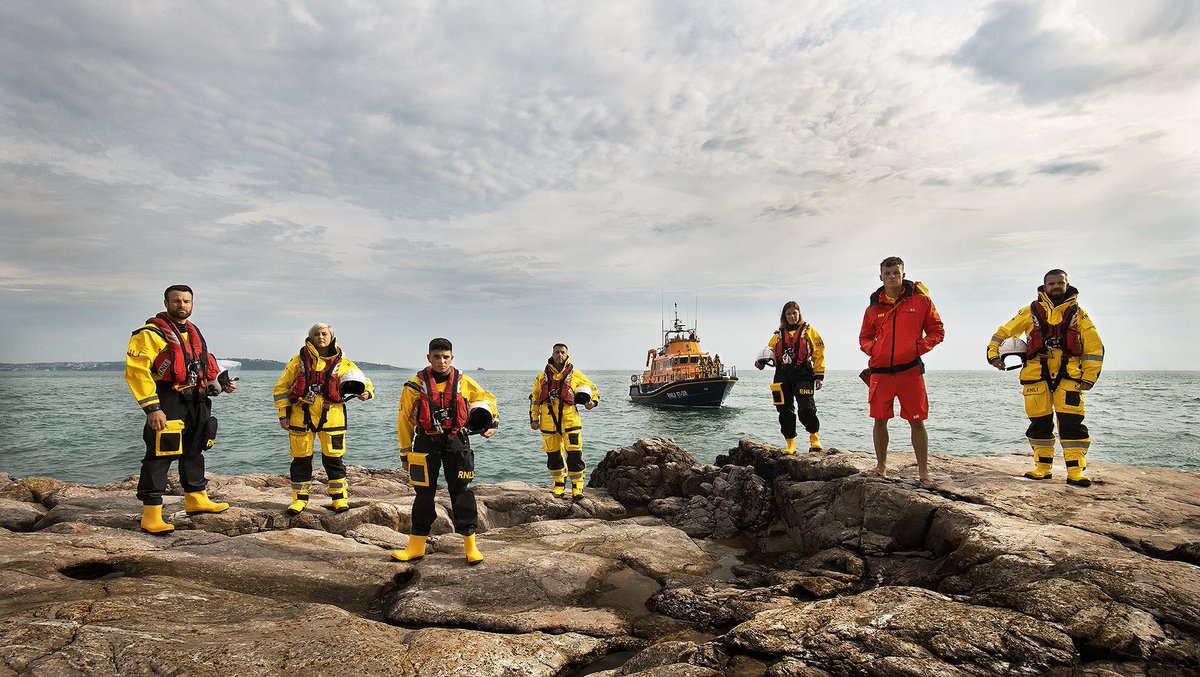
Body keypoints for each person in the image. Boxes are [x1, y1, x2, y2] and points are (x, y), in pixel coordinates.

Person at [125, 284, 237, 534]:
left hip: (197, 400)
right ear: (166, 303)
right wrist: (152, 408)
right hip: (168, 400)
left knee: (194, 450)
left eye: (186, 301)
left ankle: (196, 498)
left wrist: (221, 383)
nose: (182, 306)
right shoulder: (150, 334)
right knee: (160, 454)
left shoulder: (193, 332)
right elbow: (136, 372)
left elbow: (205, 363)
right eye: (176, 301)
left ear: (192, 304)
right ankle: (151, 513)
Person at [986, 269, 1104, 487]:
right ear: (1044, 285)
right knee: (1039, 423)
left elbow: (1094, 347)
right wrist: (993, 355)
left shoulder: (1080, 315)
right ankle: (1042, 467)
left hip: (1069, 377)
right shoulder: (1029, 312)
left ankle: (1076, 471)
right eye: (1052, 283)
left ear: (1067, 285)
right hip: (1035, 378)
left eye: (1060, 282)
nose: (1056, 286)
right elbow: (1003, 333)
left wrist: (1089, 377)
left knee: (1072, 423)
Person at [392, 338, 498, 565]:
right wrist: (404, 453)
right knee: (423, 493)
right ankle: (416, 546)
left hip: (456, 441)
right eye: (437, 357)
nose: (441, 361)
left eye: (446, 357)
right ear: (428, 358)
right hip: (425, 442)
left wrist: (492, 423)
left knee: (461, 491)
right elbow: (404, 421)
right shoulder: (412, 386)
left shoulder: (464, 382)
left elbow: (487, 398)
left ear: (452, 358)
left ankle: (470, 545)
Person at [858, 257, 944, 488]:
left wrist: (918, 348)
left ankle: (924, 473)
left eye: (896, 273)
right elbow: (864, 337)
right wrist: (873, 349)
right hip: (880, 373)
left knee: (917, 422)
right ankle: (880, 467)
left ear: (903, 274)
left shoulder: (922, 301)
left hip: (910, 372)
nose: (892, 277)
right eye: (888, 273)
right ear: (881, 277)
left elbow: (937, 330)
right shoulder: (873, 307)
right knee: (879, 420)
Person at [273, 323, 374, 515]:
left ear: (331, 336)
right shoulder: (297, 361)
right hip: (300, 416)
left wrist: (366, 393)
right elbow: (281, 389)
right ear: (310, 337)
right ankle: (299, 500)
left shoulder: (343, 361)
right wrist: (283, 414)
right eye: (317, 334)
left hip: (332, 417)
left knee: (334, 459)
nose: (321, 337)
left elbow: (365, 381)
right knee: (300, 459)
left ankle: (339, 499)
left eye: (324, 333)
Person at [529, 343, 600, 498]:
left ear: (567, 354)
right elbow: (534, 398)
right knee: (553, 454)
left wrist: (592, 402)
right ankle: (558, 484)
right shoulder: (541, 377)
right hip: (548, 421)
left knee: (574, 453)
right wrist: (534, 419)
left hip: (570, 421)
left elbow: (592, 388)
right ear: (552, 354)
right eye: (557, 352)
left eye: (562, 352)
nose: (559, 355)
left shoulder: (576, 375)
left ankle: (577, 487)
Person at [756, 301, 825, 454]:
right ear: (784, 316)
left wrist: (819, 376)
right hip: (782, 375)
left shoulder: (810, 332)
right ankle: (790, 444)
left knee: (806, 409)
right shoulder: (778, 335)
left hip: (803, 374)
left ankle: (814, 438)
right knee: (784, 410)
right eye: (788, 314)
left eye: (794, 313)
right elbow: (769, 352)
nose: (792, 316)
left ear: (799, 313)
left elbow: (818, 354)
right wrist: (760, 363)